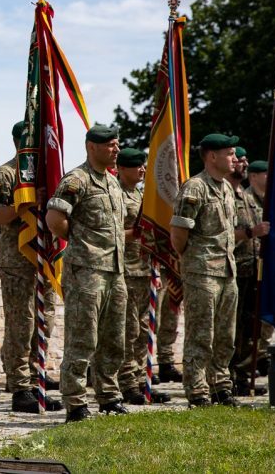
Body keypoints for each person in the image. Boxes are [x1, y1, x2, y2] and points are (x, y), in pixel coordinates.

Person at [170, 134, 268, 407]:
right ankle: (198, 391)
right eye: (229, 153)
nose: (234, 159)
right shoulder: (195, 188)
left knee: (225, 335)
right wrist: (194, 260)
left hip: (227, 271)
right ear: (212, 156)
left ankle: (220, 386)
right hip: (202, 272)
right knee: (201, 334)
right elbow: (178, 235)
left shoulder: (226, 189)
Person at [46, 124, 128, 422]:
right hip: (87, 271)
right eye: (110, 145)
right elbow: (55, 218)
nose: (116, 149)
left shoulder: (114, 182)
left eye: (117, 144)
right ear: (91, 147)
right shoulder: (77, 180)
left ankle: (109, 396)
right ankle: (76, 402)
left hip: (115, 271)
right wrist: (80, 238)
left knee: (113, 339)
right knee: (82, 338)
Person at [0, 121, 62, 413]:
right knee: (21, 322)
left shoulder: (46, 175)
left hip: (44, 257)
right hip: (17, 260)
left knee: (46, 320)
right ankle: (20, 387)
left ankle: (36, 378)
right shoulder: (5, 174)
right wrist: (25, 204)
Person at [114, 148, 171, 404]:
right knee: (128, 330)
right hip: (124, 270)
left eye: (144, 166)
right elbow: (110, 232)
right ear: (122, 169)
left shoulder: (140, 195)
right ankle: (127, 383)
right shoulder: (114, 194)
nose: (143, 170)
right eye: (137, 166)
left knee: (144, 328)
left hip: (144, 270)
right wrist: (133, 232)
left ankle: (140, 379)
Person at [229, 149, 268, 395]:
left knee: (249, 328)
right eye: (238, 159)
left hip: (252, 269)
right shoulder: (227, 195)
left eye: (244, 160)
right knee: (231, 330)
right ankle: (227, 377)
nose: (243, 163)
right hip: (233, 269)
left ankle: (241, 376)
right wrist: (251, 233)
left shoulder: (245, 196)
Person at [245, 160, 275, 374]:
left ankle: (264, 355)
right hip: (248, 264)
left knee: (266, 313)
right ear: (253, 176)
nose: (270, 178)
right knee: (251, 318)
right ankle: (252, 358)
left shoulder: (273, 201)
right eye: (266, 174)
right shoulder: (244, 198)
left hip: (269, 265)